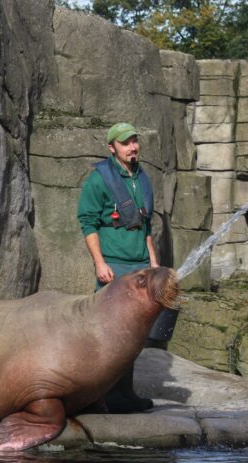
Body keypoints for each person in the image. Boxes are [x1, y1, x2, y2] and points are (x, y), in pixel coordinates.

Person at [76, 122, 158, 413]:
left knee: (134, 334)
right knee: (110, 334)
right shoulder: (99, 179)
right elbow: (88, 222)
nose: (132, 147)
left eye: (135, 141)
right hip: (114, 266)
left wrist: (153, 263)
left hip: (139, 267)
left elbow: (146, 225)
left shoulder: (143, 178)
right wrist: (100, 263)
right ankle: (102, 395)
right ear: (112, 148)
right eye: (125, 143)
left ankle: (125, 395)